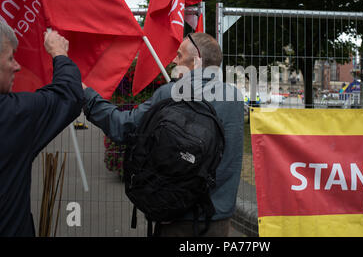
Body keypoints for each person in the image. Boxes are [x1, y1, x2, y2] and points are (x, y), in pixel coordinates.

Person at [83, 33, 244, 236]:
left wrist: (87, 95)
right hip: (219, 219)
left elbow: (123, 127)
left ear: (196, 61)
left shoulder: (168, 94)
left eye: (179, 55)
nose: (174, 60)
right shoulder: (234, 97)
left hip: (176, 218)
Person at [0, 22, 84, 237]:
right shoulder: (12, 115)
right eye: (10, 58)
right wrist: (59, 52)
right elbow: (68, 94)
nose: (17, 66)